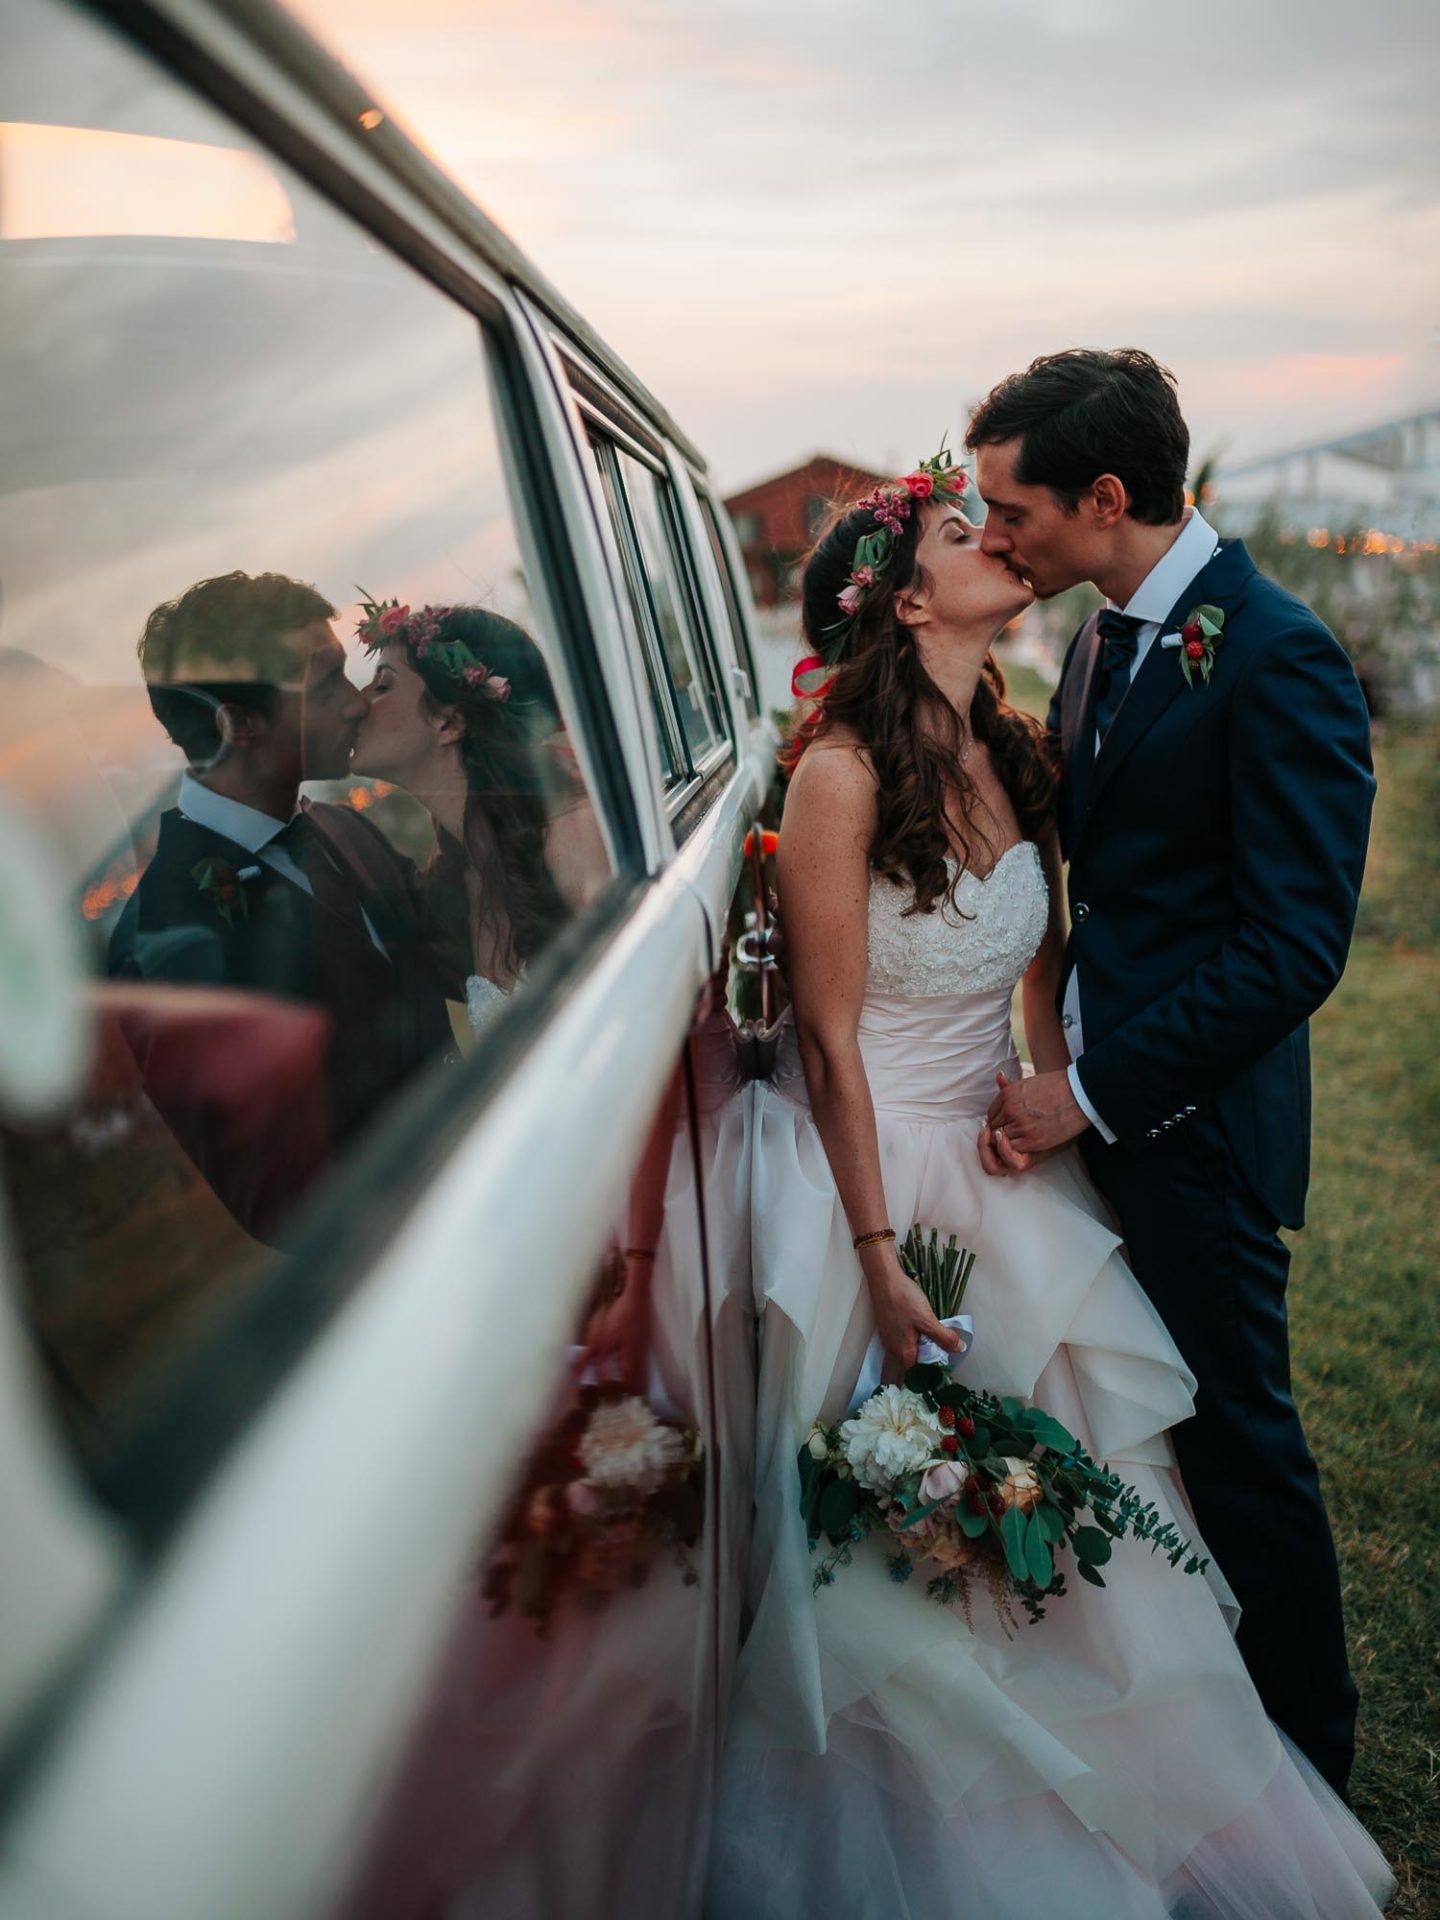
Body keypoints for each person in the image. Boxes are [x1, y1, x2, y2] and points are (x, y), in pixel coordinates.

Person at [706, 453, 1391, 1917]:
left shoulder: (1021, 742)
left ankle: (1170, 1784)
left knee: (1089, 1504)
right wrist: (879, 1255)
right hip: (871, 1178)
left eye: (1003, 516)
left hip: (1014, 1160)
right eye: (969, 532)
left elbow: (1045, 977)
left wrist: (1057, 1107)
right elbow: (825, 1045)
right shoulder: (833, 777)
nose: (1002, 541)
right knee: (902, 1546)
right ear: (903, 596)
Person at [967, 349, 1373, 1798]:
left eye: (1011, 512)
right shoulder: (1095, 640)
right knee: (1145, 1437)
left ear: (1108, 497)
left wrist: (1087, 1090)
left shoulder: (1276, 654)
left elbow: (1292, 946)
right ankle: (1188, 1716)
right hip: (1089, 1103)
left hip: (1190, 1127)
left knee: (1238, 1443)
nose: (995, 536)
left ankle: (1308, 1765)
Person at [109, 571, 455, 1231]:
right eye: (325, 683)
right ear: (238, 724)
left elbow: (465, 949)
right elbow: (285, 1200)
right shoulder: (161, 946)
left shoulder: (345, 829)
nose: (356, 704)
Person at [347, 601, 575, 1036]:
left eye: (382, 686)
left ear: (449, 722)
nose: (358, 704)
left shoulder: (568, 841)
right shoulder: (456, 882)